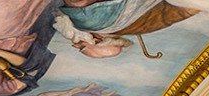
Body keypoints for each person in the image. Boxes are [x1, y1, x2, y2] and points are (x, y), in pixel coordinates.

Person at [53, 0, 199, 58]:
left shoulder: (137, 26)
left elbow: (181, 12)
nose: (74, 44)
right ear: (97, 40)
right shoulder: (90, 22)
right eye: (82, 47)